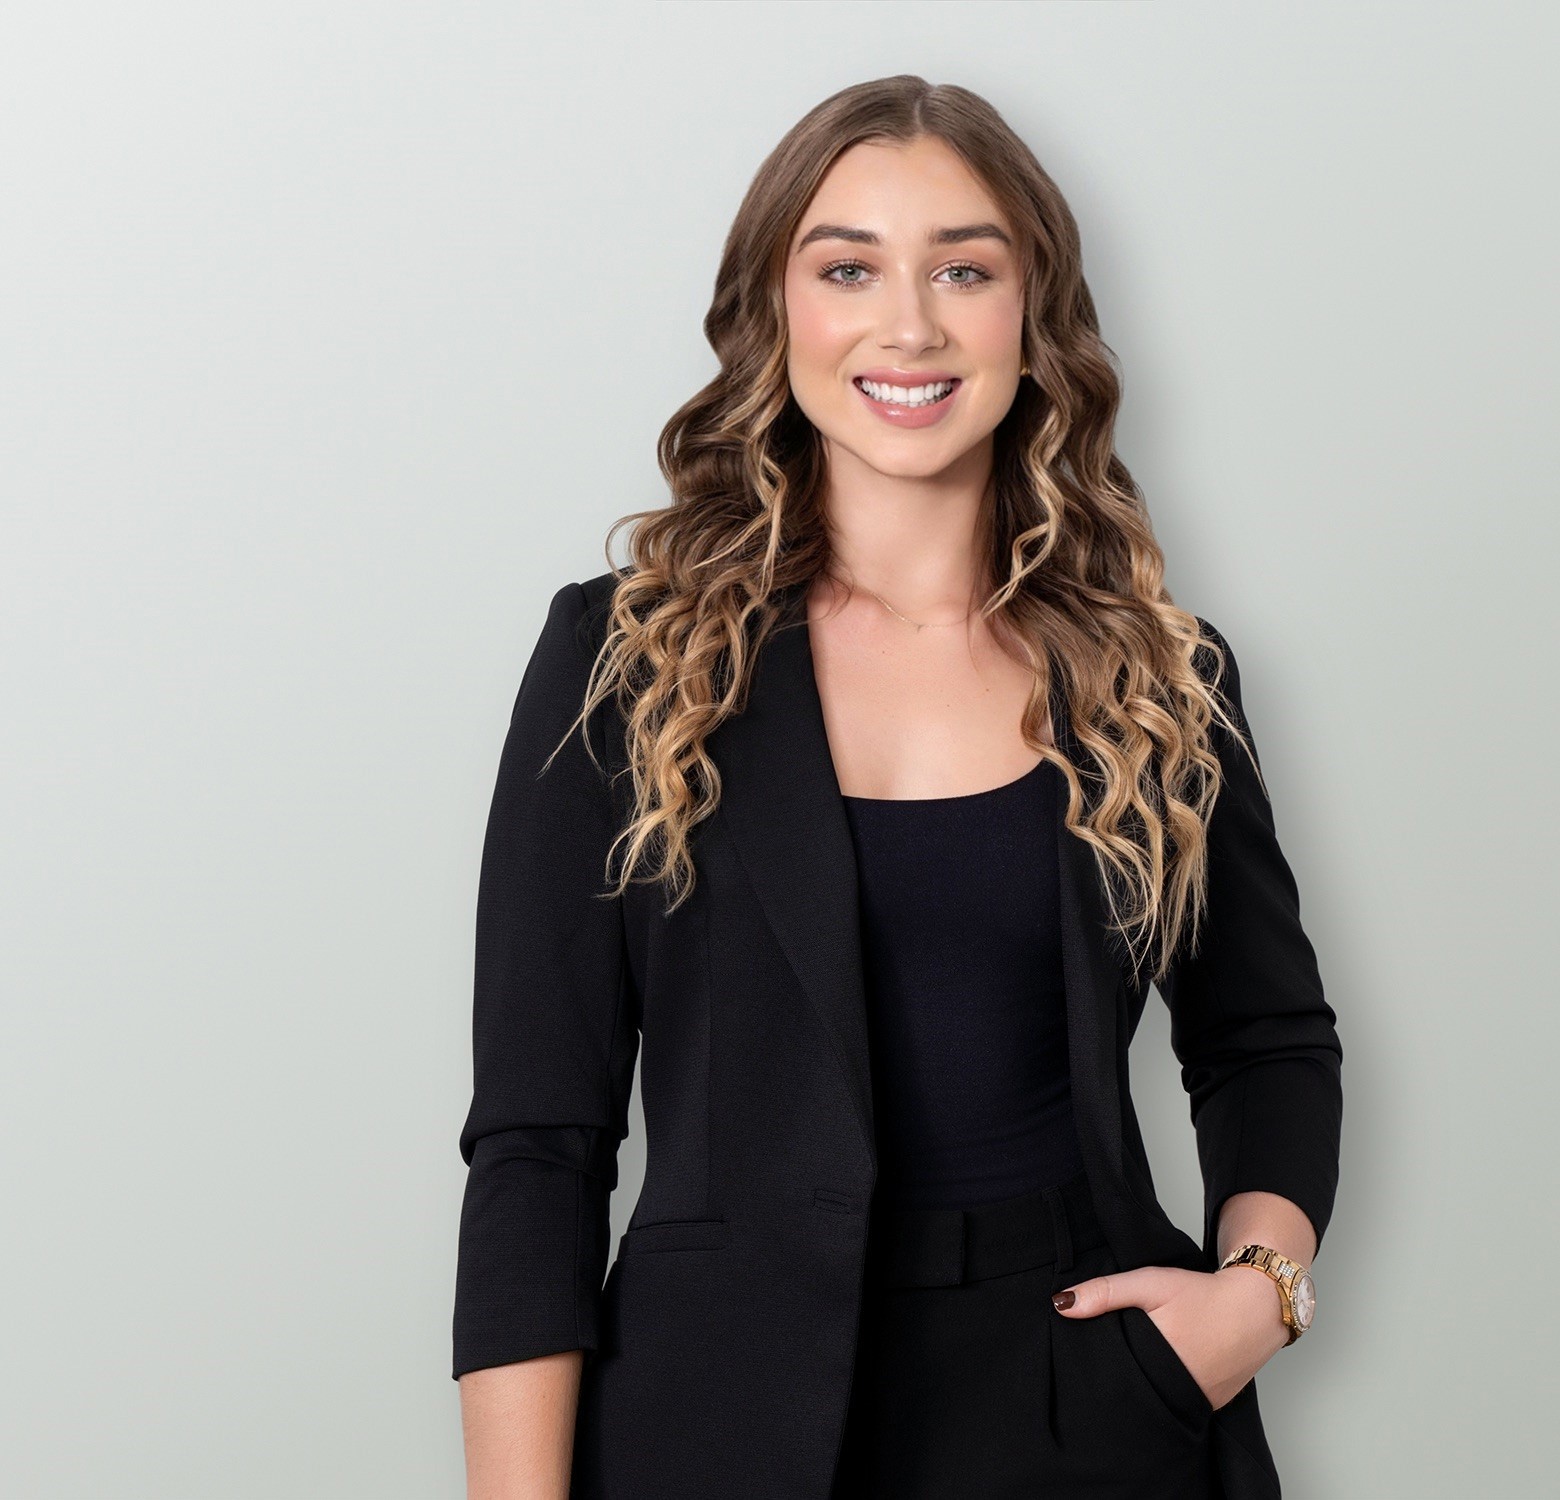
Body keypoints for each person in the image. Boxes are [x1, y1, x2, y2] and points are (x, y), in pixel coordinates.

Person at [452, 75, 1343, 1500]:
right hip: (714, 1425)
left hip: (1094, 1402)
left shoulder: (1157, 676)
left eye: (965, 270)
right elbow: (537, 1146)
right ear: (777, 309)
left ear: (1033, 316)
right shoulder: (625, 664)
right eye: (849, 268)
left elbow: (1266, 1038)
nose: (911, 324)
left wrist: (1257, 1295)